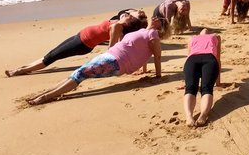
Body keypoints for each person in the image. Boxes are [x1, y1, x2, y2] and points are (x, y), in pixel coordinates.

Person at [26, 15, 164, 106]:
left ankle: (45, 97)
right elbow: (142, 52)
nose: (155, 17)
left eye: (159, 18)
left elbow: (156, 55)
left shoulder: (153, 34)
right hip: (111, 55)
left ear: (160, 25)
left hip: (117, 62)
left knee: (80, 74)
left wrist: (158, 76)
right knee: (77, 72)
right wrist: (143, 70)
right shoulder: (141, 31)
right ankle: (46, 93)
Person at [5, 10, 147, 77]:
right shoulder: (119, 19)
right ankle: (26, 67)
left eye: (131, 15)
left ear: (130, 21)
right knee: (51, 53)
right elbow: (125, 12)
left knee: (52, 57)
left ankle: (19, 71)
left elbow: (111, 48)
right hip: (80, 36)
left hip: (83, 44)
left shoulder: (118, 27)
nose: (129, 13)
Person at [182, 28, 222, 127]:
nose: (205, 30)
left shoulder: (215, 36)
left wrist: (218, 83)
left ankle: (201, 115)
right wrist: (218, 82)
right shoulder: (214, 36)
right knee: (199, 88)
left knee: (197, 89)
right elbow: (218, 59)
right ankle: (192, 116)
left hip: (197, 60)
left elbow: (218, 58)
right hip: (204, 59)